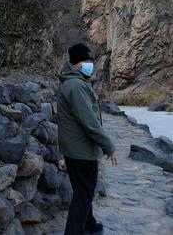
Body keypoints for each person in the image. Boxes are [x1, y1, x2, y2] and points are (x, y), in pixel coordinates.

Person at [57, 43, 118, 235]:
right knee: (83, 195)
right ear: (76, 64)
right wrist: (108, 146)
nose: (90, 64)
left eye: (91, 61)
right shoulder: (76, 86)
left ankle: (89, 225)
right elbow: (89, 122)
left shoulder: (75, 82)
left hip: (74, 149)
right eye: (86, 61)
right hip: (81, 151)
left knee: (83, 191)